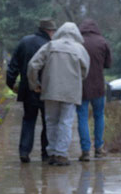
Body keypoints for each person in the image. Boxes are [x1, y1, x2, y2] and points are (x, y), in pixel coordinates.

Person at [27, 22, 90, 166]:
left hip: (50, 89)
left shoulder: (50, 46)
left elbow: (33, 65)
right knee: (66, 121)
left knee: (51, 121)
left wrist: (34, 83)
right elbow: (85, 71)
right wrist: (77, 80)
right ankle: (61, 154)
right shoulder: (80, 49)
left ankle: (52, 153)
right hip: (71, 91)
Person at [6, 18, 57, 163]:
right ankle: (45, 154)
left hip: (28, 89)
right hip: (46, 90)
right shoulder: (51, 45)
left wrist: (11, 84)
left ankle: (24, 151)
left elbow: (13, 65)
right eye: (53, 31)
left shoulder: (24, 41)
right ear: (49, 31)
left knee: (28, 120)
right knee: (47, 122)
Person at [76, 19, 112, 161]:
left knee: (82, 117)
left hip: (82, 86)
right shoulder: (102, 42)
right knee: (99, 115)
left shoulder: (78, 42)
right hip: (98, 86)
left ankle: (85, 151)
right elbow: (108, 64)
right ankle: (99, 148)